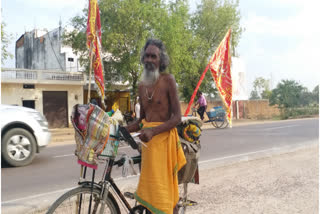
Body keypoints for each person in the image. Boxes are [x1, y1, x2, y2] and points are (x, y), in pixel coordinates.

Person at [125, 39, 186, 214]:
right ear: (143, 59)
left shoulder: (168, 81)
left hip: (165, 145)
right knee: (151, 195)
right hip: (148, 146)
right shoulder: (141, 85)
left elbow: (177, 118)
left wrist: (153, 131)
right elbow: (141, 120)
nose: (150, 60)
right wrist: (123, 129)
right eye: (147, 56)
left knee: (165, 195)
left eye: (154, 56)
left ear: (161, 60)